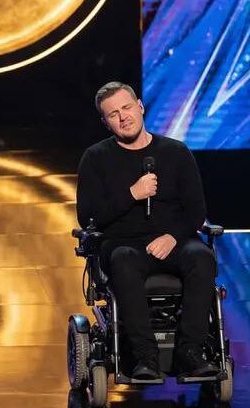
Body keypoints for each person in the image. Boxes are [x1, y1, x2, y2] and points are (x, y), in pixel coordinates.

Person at [76, 81, 220, 380]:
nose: (123, 117)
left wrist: (172, 237)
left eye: (127, 108)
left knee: (202, 257)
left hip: (174, 242)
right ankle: (145, 357)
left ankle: (191, 353)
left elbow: (196, 211)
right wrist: (132, 193)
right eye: (113, 114)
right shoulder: (96, 158)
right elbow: (88, 217)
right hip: (124, 245)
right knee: (123, 260)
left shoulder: (176, 152)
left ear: (140, 107)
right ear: (105, 122)